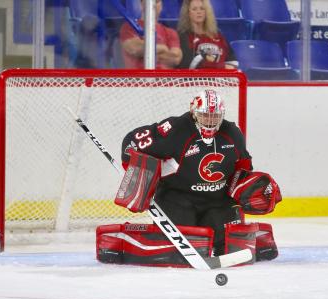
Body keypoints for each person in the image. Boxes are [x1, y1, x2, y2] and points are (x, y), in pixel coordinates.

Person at [119, 89, 279, 261]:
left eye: (215, 116)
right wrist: (137, 176)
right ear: (194, 112)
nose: (210, 121)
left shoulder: (232, 133)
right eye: (205, 115)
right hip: (177, 197)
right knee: (179, 247)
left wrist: (245, 186)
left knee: (230, 243)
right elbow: (132, 143)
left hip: (218, 200)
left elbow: (243, 166)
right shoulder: (176, 129)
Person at [119, 0, 183, 69]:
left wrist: (145, 54)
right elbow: (134, 49)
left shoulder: (170, 32)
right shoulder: (129, 27)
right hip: (138, 77)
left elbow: (175, 58)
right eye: (150, 2)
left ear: (161, 5)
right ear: (141, 3)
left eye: (157, 2)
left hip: (163, 78)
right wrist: (163, 48)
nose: (154, 5)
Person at [177, 0, 238, 69]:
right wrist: (221, 66)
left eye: (202, 8)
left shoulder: (218, 35)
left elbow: (233, 62)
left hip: (222, 78)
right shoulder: (183, 36)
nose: (199, 12)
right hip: (197, 78)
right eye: (194, 9)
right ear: (188, 13)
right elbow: (189, 63)